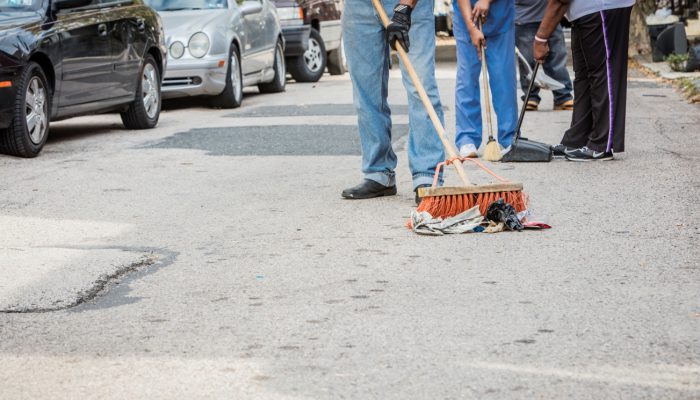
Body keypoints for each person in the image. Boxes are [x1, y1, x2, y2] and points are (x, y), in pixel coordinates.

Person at [340, 0, 445, 204]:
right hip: (357, 7)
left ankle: (428, 175)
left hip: (411, 5)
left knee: (420, 85)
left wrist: (404, 8)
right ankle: (379, 173)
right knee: (366, 91)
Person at [533, 0, 635, 161]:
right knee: (584, 75)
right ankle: (577, 139)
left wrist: (541, 38)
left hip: (602, 7)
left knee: (603, 73)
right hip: (584, 11)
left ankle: (602, 145)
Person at [453, 0, 517, 157]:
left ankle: (509, 137)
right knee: (467, 78)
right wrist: (471, 27)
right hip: (466, 16)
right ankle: (467, 138)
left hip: (501, 16)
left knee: (504, 80)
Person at [515, 0, 573, 111]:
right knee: (527, 61)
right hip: (524, 17)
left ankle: (563, 96)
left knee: (557, 58)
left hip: (552, 14)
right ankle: (530, 96)